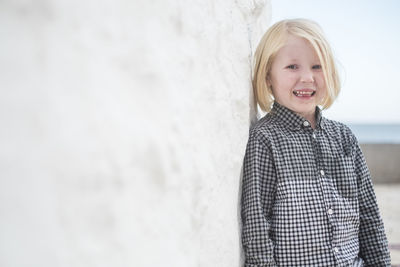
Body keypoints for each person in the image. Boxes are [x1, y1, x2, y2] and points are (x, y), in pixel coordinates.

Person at [240, 18, 391, 266]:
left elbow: (369, 217)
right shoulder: (265, 139)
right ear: (268, 77)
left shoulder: (345, 138)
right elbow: (257, 224)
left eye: (317, 66)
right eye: (292, 67)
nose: (307, 78)